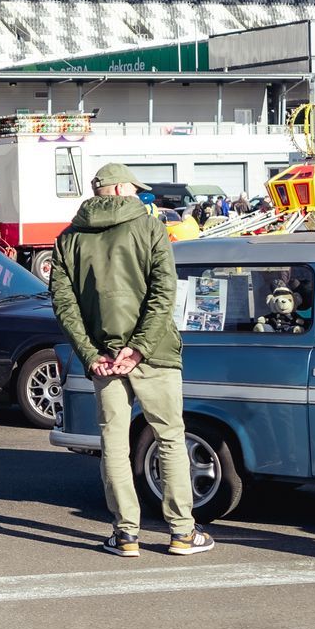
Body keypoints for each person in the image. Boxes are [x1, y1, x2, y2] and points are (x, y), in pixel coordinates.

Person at [49, 162, 213, 558]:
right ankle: (181, 533)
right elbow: (163, 294)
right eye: (135, 189)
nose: (140, 195)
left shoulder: (68, 238)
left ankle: (126, 535)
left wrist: (90, 353)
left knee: (114, 445)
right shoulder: (151, 228)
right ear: (121, 188)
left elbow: (63, 303)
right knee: (170, 439)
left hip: (102, 359)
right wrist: (138, 347)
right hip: (153, 353)